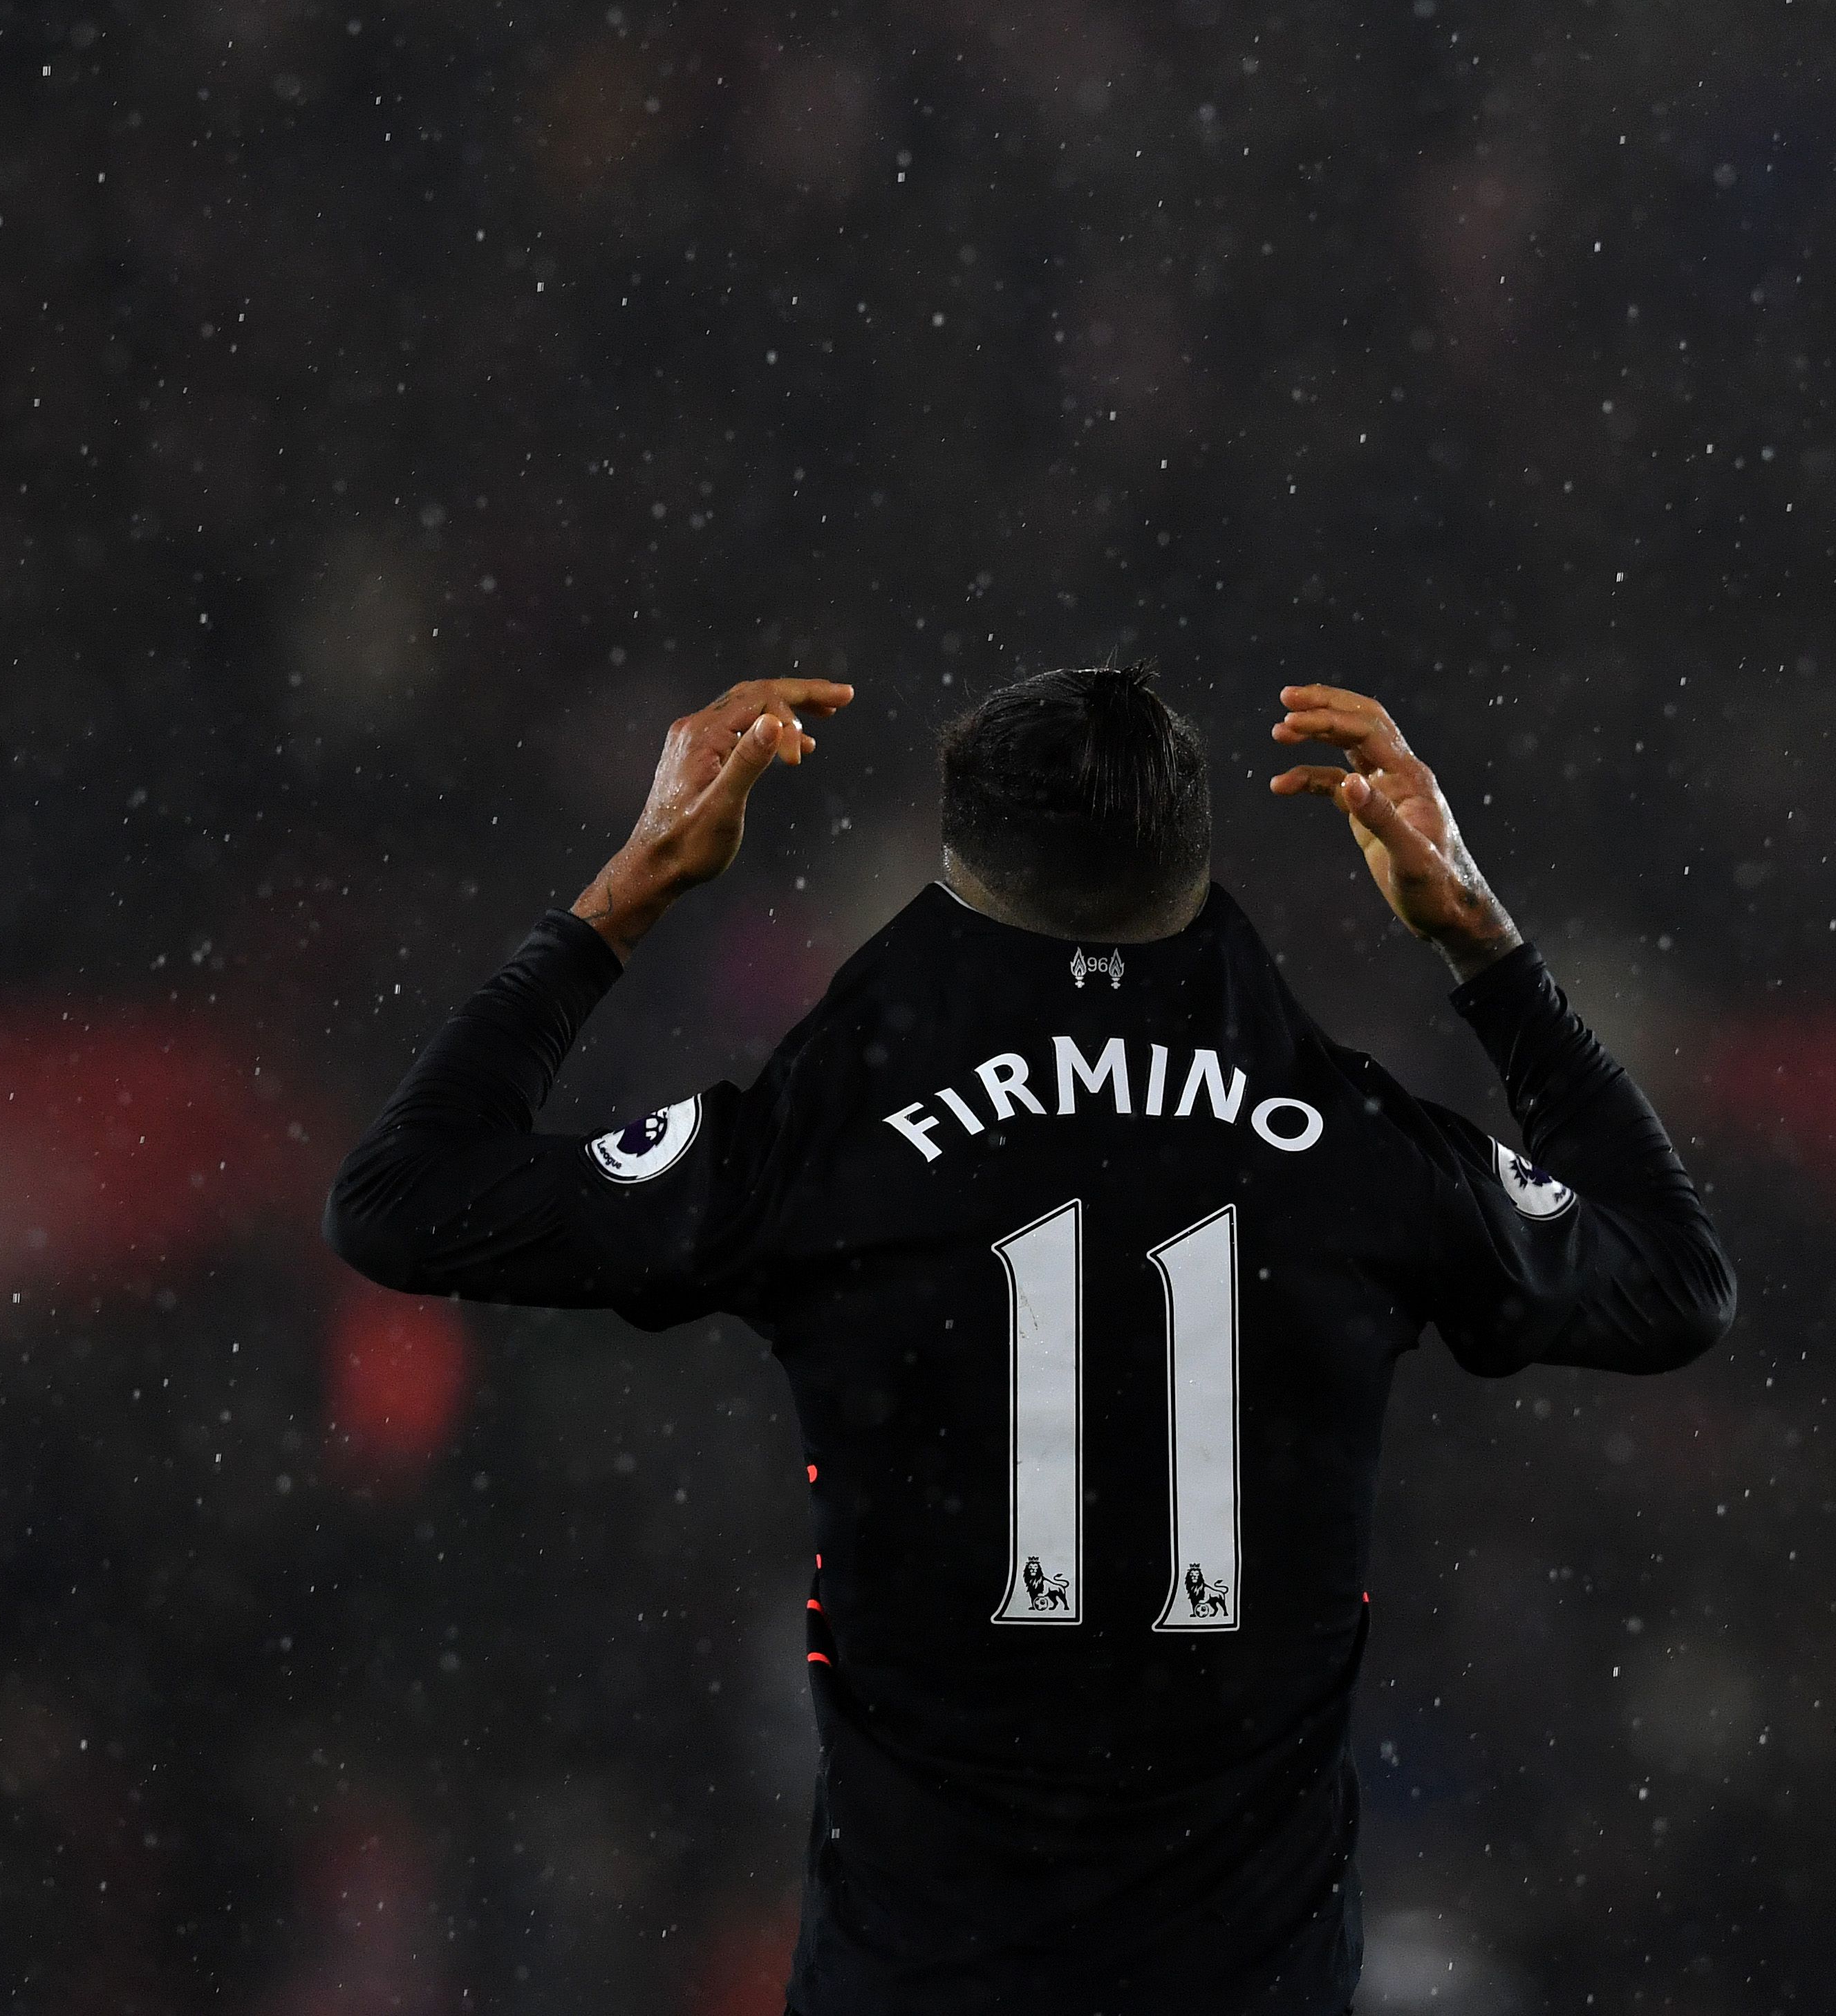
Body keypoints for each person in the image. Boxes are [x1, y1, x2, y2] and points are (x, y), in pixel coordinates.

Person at [328, 666, 1735, 2014]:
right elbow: (1675, 1282)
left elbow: (401, 1203)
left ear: (955, 864)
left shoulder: (825, 1142)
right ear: (1196, 862)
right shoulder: (1354, 1153)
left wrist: (626, 894)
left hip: (922, 1985)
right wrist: (1479, 944)